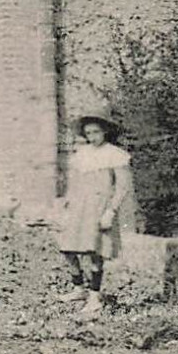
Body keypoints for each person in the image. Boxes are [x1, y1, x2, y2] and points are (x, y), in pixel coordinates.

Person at [55, 112, 134, 318]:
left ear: (104, 131)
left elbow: (122, 187)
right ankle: (78, 287)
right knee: (67, 248)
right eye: (88, 133)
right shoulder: (81, 154)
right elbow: (74, 182)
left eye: (96, 132)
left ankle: (94, 297)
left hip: (99, 206)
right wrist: (66, 204)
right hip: (79, 206)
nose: (92, 136)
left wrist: (111, 211)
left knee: (94, 251)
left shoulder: (115, 154)